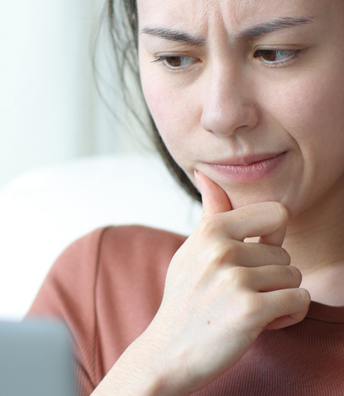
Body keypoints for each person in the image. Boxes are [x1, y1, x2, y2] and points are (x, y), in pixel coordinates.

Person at [26, 0, 344, 395]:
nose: (221, 115)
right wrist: (153, 363)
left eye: (275, 53)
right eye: (175, 59)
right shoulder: (100, 287)